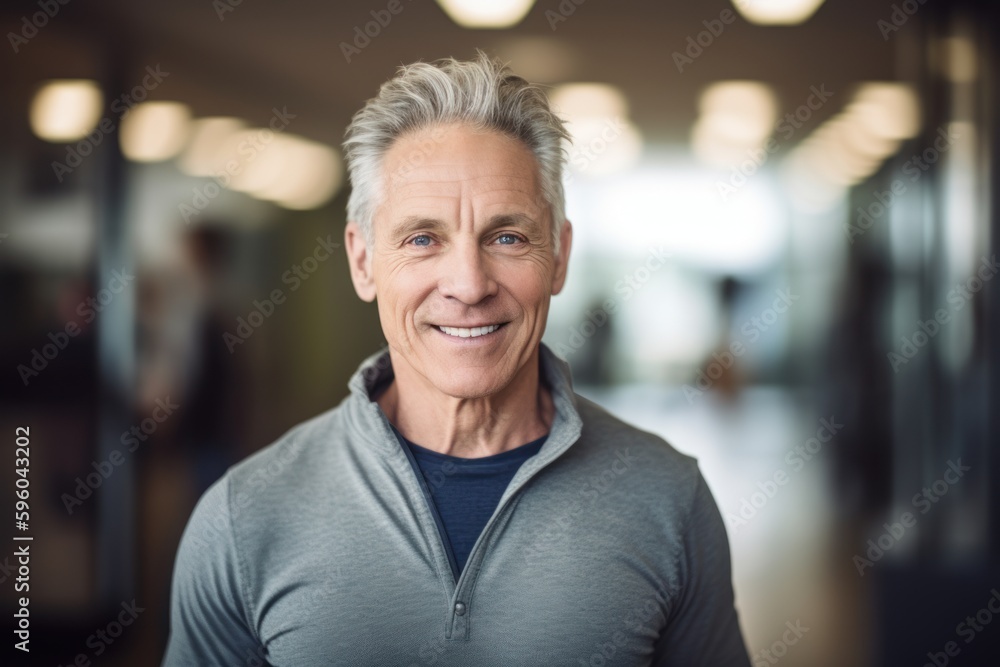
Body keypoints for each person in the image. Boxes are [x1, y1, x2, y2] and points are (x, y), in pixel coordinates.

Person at [163, 52, 751, 666]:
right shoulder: (243, 515)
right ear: (363, 261)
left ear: (559, 256)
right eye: (423, 239)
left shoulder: (669, 500)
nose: (469, 285)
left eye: (507, 237)